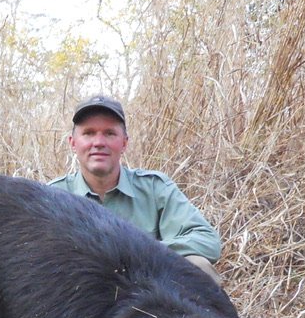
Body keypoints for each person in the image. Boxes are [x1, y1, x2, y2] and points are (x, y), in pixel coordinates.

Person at [48, 95, 221, 280]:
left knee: (199, 266)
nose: (98, 142)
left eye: (109, 133)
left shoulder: (154, 188)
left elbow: (206, 240)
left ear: (124, 143)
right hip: (81, 293)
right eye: (89, 133)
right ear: (73, 143)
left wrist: (141, 252)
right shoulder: (53, 197)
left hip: (148, 286)